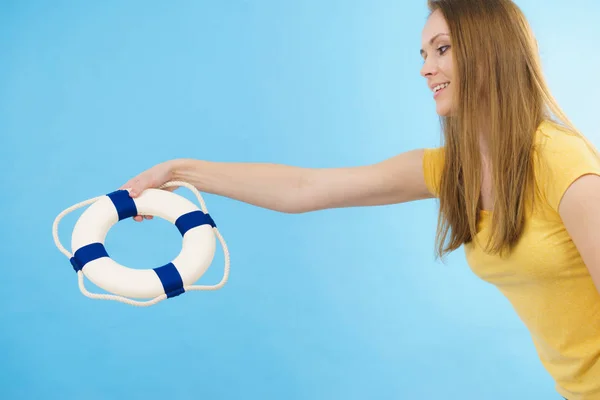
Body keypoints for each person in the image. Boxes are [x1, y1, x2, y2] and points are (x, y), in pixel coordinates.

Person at [120, 0, 600, 398]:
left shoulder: (561, 162)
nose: (425, 67)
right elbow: (306, 189)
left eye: (443, 49)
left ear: (490, 52)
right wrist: (179, 171)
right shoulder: (453, 170)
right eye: (423, 52)